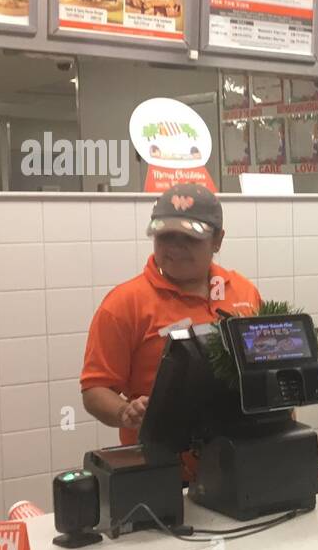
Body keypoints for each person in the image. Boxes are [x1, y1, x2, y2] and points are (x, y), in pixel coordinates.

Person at [81, 183, 261, 443]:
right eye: (165, 236)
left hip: (239, 453)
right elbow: (94, 389)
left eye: (190, 238)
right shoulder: (124, 304)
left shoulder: (244, 292)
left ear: (218, 240)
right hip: (159, 464)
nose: (175, 247)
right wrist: (124, 411)